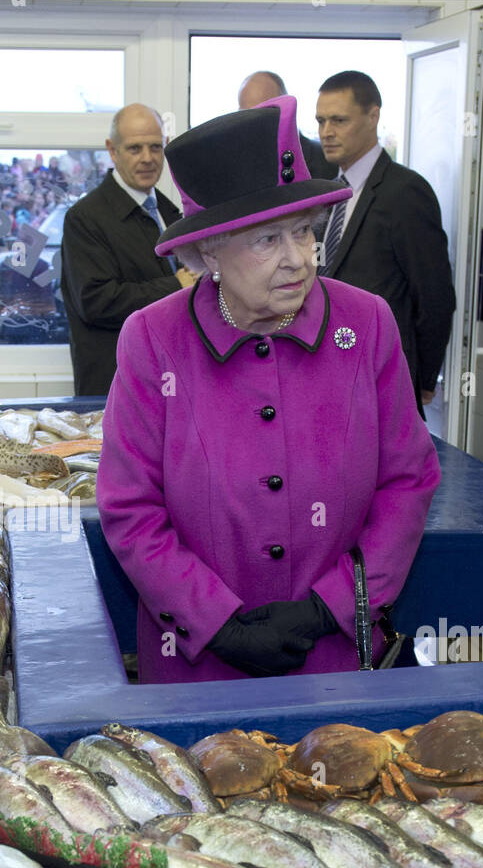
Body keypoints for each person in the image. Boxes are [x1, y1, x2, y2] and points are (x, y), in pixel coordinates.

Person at [96, 96, 441, 684]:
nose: (298, 261)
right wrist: (219, 624)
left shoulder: (369, 323)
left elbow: (407, 481)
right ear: (209, 251)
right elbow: (131, 508)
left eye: (303, 233)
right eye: (266, 241)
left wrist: (329, 607)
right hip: (200, 666)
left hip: (336, 659)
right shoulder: (152, 338)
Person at [315, 70, 456, 412]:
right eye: (320, 121)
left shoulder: (405, 192)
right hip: (325, 373)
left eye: (339, 120)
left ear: (373, 115)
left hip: (384, 378)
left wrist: (422, 380)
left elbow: (434, 296)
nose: (327, 132)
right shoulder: (325, 193)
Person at [60, 104, 200, 395]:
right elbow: (95, 301)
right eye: (135, 149)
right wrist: (175, 285)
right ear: (113, 151)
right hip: (114, 386)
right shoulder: (84, 218)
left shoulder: (171, 211)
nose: (148, 159)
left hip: (168, 377)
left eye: (155, 147)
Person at [238, 70, 331, 178]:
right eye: (244, 113)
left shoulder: (326, 160)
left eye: (261, 112)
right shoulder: (238, 163)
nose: (252, 122)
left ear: (286, 108)